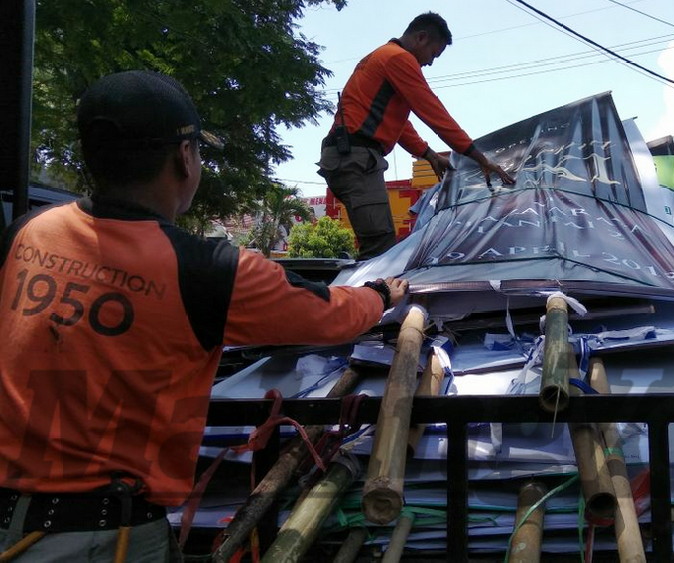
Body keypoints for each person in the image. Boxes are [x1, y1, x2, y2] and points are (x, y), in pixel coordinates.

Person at [0, 70, 407, 561]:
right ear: (184, 157)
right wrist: (381, 294)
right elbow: (328, 315)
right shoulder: (208, 270)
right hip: (101, 539)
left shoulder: (28, 233)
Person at [317, 11, 515, 260]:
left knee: (378, 246)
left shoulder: (382, 57)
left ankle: (366, 296)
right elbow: (432, 111)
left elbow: (401, 127)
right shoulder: (398, 58)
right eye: (434, 54)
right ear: (421, 38)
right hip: (356, 159)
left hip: (348, 157)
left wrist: (429, 155)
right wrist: (480, 158)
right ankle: (367, 298)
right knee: (380, 249)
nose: (430, 63)